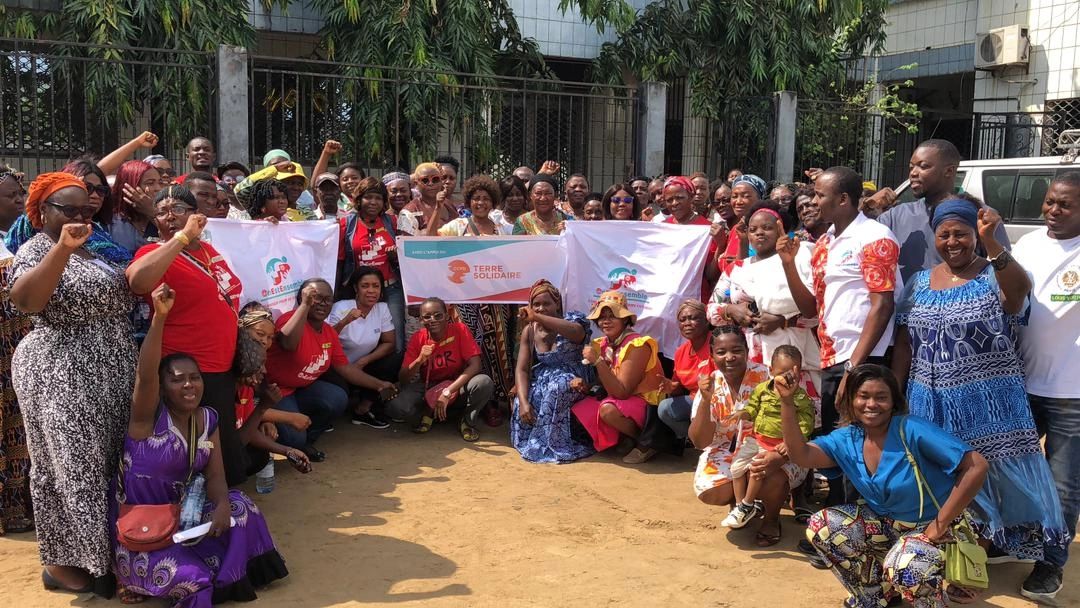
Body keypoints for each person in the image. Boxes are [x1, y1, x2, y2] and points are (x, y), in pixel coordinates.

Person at [891, 197, 1067, 566]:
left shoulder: (993, 273)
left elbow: (1018, 295)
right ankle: (944, 550)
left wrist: (993, 244)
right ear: (934, 236)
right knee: (941, 473)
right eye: (944, 235)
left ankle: (976, 557)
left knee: (987, 475)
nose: (953, 242)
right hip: (927, 398)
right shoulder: (919, 282)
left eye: (962, 234)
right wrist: (897, 390)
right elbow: (905, 342)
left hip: (988, 400)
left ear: (976, 234)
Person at [113, 283, 288, 605]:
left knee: (240, 506)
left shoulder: (208, 419)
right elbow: (145, 375)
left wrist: (220, 506)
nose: (188, 384)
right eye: (177, 379)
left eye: (194, 377)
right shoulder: (146, 421)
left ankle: (229, 578)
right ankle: (135, 577)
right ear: (163, 388)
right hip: (145, 530)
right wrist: (159, 319)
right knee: (196, 583)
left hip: (185, 519)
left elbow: (216, 477)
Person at [10, 173, 136, 596]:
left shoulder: (96, 250)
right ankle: (74, 564)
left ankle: (108, 554)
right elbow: (27, 301)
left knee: (108, 463)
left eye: (88, 208)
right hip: (61, 371)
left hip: (111, 368)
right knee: (70, 468)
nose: (82, 216)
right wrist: (63, 247)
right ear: (43, 211)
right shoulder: (37, 249)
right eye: (69, 209)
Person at [781, 364, 990, 608]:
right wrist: (787, 403)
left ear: (893, 402)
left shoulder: (910, 429)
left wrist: (938, 525)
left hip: (938, 530)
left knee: (905, 566)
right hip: (886, 526)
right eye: (863, 396)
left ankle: (932, 603)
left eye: (881, 397)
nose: (871, 404)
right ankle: (876, 597)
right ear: (851, 400)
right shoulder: (848, 438)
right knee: (823, 527)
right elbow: (802, 455)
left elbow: (977, 465)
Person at [779, 166, 901, 511]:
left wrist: (855, 366)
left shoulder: (875, 237)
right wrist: (789, 264)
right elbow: (812, 308)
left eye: (820, 194)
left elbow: (883, 304)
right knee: (843, 446)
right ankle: (841, 528)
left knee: (866, 447)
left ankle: (861, 530)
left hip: (866, 360)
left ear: (844, 199)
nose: (813, 201)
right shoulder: (824, 244)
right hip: (833, 358)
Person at [125, 185, 249, 486]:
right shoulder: (154, 252)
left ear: (196, 215)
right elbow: (138, 282)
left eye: (179, 209)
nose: (170, 216)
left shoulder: (210, 251)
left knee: (223, 455)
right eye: (163, 212)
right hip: (188, 370)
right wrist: (180, 238)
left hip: (221, 366)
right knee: (193, 452)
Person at [1003, 171, 1080, 602]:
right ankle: (1013, 542)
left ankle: (1051, 564)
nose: (1052, 210)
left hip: (1073, 391)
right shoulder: (1029, 244)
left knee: (1063, 485)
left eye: (1064, 204)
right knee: (1014, 472)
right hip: (1022, 382)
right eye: (1050, 202)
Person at [265, 278, 397, 460]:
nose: (322, 303)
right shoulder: (289, 319)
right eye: (315, 298)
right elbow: (288, 343)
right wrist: (304, 305)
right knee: (294, 439)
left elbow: (345, 368)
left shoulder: (328, 332)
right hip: (275, 391)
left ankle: (307, 440)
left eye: (328, 299)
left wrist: (379, 385)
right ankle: (288, 438)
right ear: (302, 299)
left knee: (336, 397)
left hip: (300, 389)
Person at [689, 326, 797, 546]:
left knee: (770, 476)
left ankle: (771, 519)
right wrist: (707, 400)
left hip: (772, 448)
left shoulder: (769, 377)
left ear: (747, 351)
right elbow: (700, 441)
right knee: (710, 491)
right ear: (712, 355)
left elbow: (800, 419)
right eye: (721, 352)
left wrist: (781, 452)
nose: (729, 357)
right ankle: (743, 505)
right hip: (726, 452)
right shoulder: (710, 383)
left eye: (736, 350)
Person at [709, 201, 822, 387]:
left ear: (781, 230)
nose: (759, 233)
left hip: (791, 357)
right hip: (747, 359)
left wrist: (783, 321)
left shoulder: (799, 260)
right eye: (753, 229)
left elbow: (816, 314)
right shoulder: (736, 269)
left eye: (767, 227)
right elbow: (711, 309)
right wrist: (730, 310)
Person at [878, 139, 1009, 283]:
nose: (913, 173)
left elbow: (1005, 274)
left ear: (949, 171)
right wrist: (866, 208)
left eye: (923, 166)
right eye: (911, 167)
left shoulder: (982, 216)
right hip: (906, 304)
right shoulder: (894, 216)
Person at [720, 345, 814, 529]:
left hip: (779, 445)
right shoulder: (762, 389)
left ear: (799, 373)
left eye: (791, 373)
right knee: (736, 467)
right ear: (771, 371)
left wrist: (791, 442)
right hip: (758, 439)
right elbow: (753, 407)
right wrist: (743, 414)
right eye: (781, 372)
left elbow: (806, 423)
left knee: (758, 469)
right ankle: (740, 507)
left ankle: (748, 505)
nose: (786, 377)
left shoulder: (801, 397)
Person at [569, 291, 665, 462]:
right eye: (602, 316)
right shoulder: (605, 343)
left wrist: (597, 361)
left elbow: (622, 392)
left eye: (612, 315)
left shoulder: (637, 345)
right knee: (581, 405)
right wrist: (588, 386)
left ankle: (646, 442)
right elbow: (608, 379)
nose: (606, 321)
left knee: (608, 410)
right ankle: (624, 438)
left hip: (648, 404)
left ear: (624, 319)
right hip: (622, 398)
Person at [385, 297, 494, 442]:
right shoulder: (418, 338)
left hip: (456, 385)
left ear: (447, 316)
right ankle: (430, 412)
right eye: (427, 317)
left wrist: (447, 392)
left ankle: (467, 421)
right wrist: (419, 360)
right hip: (429, 387)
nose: (433, 320)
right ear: (421, 321)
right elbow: (403, 379)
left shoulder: (460, 330)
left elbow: (475, 365)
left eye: (438, 315)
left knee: (483, 382)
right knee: (396, 407)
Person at [511, 280, 594, 463]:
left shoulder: (573, 321)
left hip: (574, 377)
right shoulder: (530, 331)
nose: (540, 308)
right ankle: (535, 442)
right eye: (536, 304)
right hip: (544, 376)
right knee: (524, 396)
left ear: (557, 303)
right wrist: (524, 402)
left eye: (546, 303)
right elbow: (522, 369)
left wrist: (537, 317)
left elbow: (577, 333)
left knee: (557, 387)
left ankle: (557, 444)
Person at [336, 177, 405, 352]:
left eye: (378, 198)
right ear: (359, 200)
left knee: (396, 341)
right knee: (359, 337)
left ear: (384, 201)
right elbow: (340, 260)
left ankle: (391, 375)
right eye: (368, 197)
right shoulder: (347, 224)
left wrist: (395, 256)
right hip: (359, 290)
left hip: (390, 288)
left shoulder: (392, 222)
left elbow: (406, 255)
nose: (373, 202)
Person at [328, 266, 401, 428]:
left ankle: (363, 410)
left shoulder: (381, 309)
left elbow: (389, 343)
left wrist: (364, 361)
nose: (371, 291)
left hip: (363, 366)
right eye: (365, 286)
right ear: (355, 288)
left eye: (376, 286)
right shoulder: (340, 307)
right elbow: (325, 342)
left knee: (394, 358)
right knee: (337, 396)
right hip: (339, 369)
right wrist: (345, 321)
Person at [0, 166, 31, 536]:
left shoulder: (13, 238)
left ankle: (17, 505)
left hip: (16, 348)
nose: (20, 202)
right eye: (12, 197)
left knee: (19, 431)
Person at [656, 299, 715, 440]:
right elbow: (679, 387)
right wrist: (671, 387)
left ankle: (716, 440)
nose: (687, 323)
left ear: (706, 321)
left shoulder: (717, 344)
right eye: (682, 320)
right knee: (665, 408)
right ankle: (695, 440)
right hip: (694, 399)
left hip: (717, 400)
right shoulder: (680, 352)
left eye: (693, 318)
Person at [663, 176, 726, 299]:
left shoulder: (707, 229)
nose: (675, 203)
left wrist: (720, 245)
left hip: (695, 298)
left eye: (680, 198)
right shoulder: (661, 228)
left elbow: (710, 274)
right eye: (669, 200)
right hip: (666, 296)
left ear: (691, 197)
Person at [108, 159, 167, 253]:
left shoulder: (168, 216)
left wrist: (153, 212)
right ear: (130, 186)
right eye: (150, 183)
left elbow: (180, 241)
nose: (158, 188)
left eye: (160, 182)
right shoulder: (110, 222)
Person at [397, 162, 457, 235]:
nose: (431, 183)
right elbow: (410, 242)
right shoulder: (408, 212)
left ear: (441, 181)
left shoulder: (449, 205)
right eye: (425, 180)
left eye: (435, 179)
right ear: (416, 184)